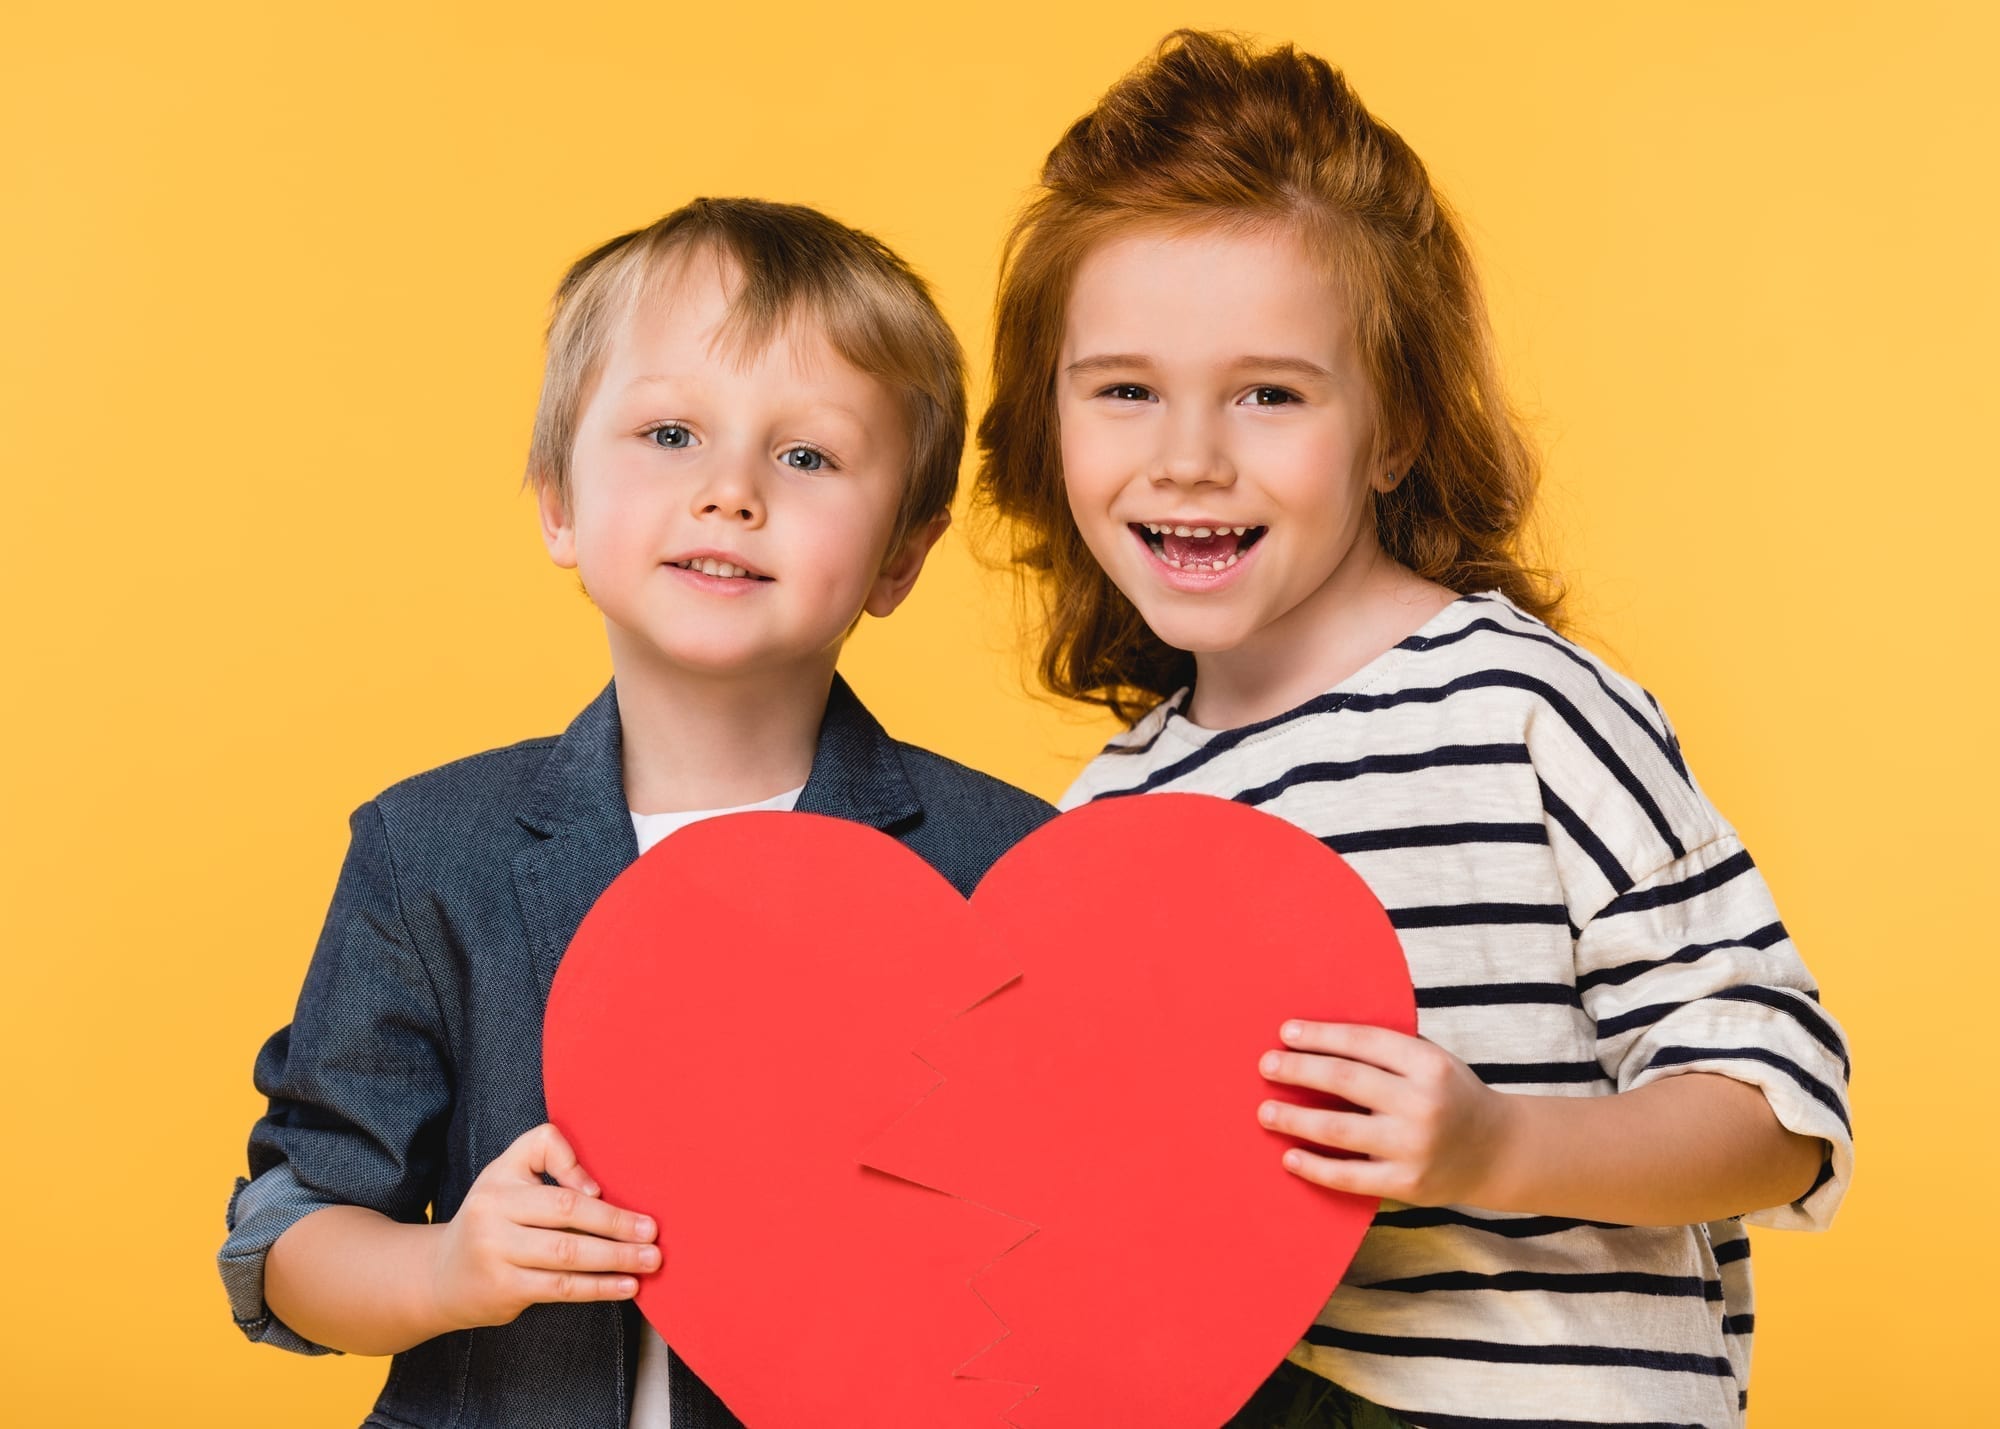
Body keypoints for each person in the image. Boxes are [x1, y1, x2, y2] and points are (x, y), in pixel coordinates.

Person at [975, 31, 1852, 1429]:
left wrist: (1498, 1142)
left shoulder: (1527, 713)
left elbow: (1780, 1113)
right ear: (1049, 421)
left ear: (1395, 433)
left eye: (1270, 392)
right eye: (1125, 388)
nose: (1189, 454)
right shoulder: (1104, 826)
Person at [219, 197, 1053, 1429]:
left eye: (807, 456)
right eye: (670, 432)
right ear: (558, 501)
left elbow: (1061, 1263)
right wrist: (445, 1269)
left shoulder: (1006, 869)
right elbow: (291, 1237)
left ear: (900, 558)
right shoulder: (426, 850)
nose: (729, 492)